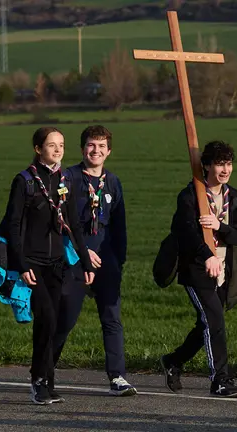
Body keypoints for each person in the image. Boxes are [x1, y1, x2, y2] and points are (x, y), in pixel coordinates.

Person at [0, 126, 95, 405]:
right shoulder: (25, 181)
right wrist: (21, 264)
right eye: (51, 145)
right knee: (47, 317)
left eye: (61, 145)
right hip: (32, 263)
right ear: (38, 149)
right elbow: (13, 225)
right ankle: (38, 380)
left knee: (52, 322)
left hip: (56, 262)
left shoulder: (66, 179)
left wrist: (86, 262)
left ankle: (46, 380)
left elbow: (74, 224)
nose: (57, 150)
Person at [159, 140, 237, 398]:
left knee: (207, 324)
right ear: (207, 166)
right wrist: (207, 255)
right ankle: (220, 380)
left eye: (228, 164)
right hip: (197, 269)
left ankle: (173, 361)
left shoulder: (234, 197)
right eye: (220, 164)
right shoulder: (190, 196)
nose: (225, 169)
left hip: (223, 270)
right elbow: (185, 233)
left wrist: (220, 227)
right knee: (214, 321)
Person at [52, 125, 136, 397]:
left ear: (109, 151)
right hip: (74, 259)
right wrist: (81, 252)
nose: (95, 151)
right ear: (82, 149)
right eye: (91, 145)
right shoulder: (68, 178)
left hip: (106, 261)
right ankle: (44, 370)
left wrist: (118, 260)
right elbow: (60, 221)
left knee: (112, 318)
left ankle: (117, 377)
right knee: (66, 319)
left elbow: (119, 225)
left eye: (101, 146)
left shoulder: (113, 182)